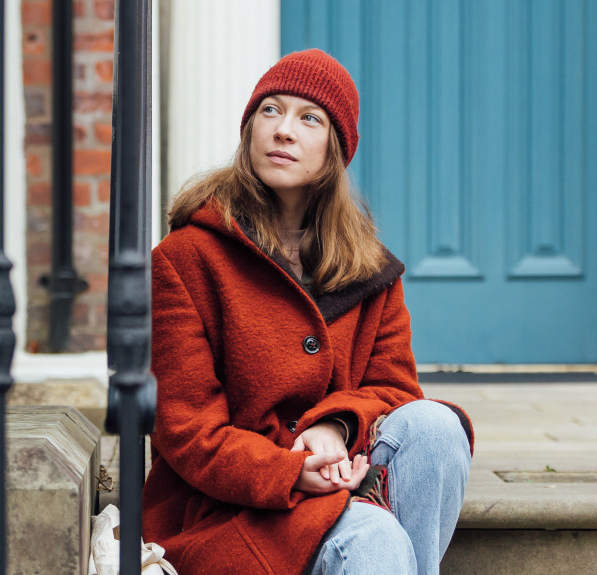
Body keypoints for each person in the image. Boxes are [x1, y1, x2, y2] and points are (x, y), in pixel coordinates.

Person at [143, 49, 475, 575]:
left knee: (435, 426)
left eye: (309, 118)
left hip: (346, 476)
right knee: (374, 539)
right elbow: (186, 432)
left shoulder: (369, 268)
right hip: (236, 506)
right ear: (249, 129)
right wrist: (291, 470)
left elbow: (396, 391)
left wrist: (337, 425)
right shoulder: (186, 260)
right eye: (270, 111)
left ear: (336, 150)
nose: (283, 131)